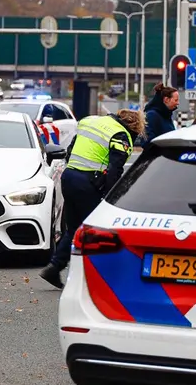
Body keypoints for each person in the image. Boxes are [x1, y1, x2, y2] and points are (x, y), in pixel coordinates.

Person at [39, 110, 145, 289]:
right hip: (87, 182)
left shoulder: (91, 121)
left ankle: (54, 267)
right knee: (96, 229)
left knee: (74, 228)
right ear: (135, 126)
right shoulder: (121, 136)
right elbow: (115, 169)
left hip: (69, 176)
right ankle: (96, 275)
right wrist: (110, 194)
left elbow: (71, 148)